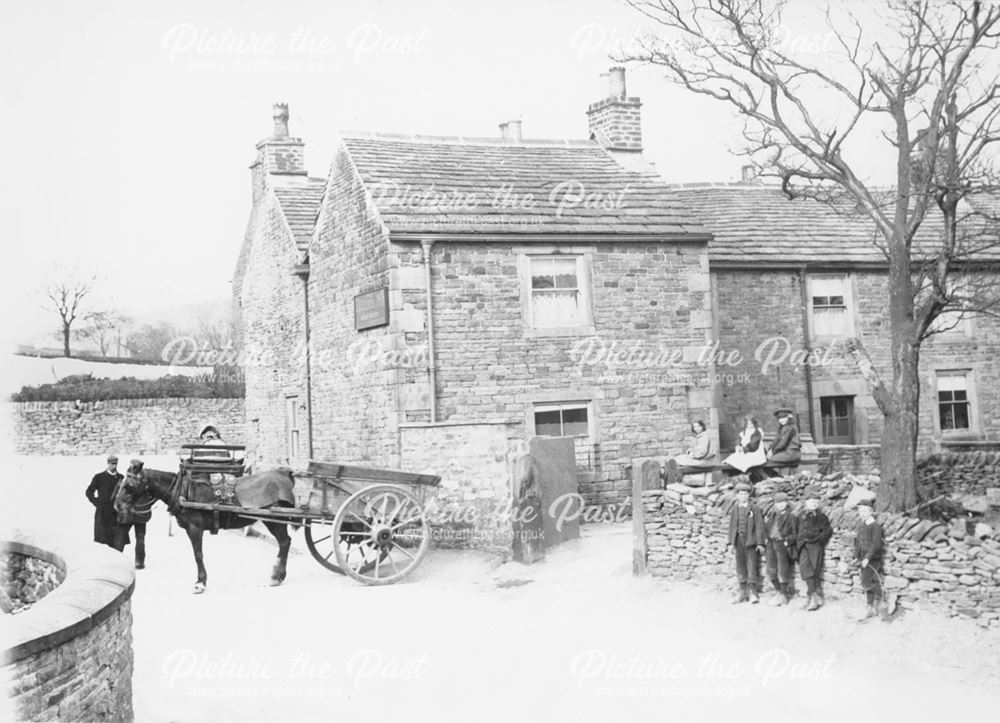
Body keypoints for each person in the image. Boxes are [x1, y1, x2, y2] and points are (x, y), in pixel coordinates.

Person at [727, 479, 766, 604]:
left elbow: (760, 526)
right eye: (741, 494)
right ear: (737, 495)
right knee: (740, 565)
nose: (743, 496)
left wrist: (760, 543)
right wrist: (731, 543)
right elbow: (732, 526)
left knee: (751, 565)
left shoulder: (754, 508)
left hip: (751, 541)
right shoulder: (735, 508)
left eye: (745, 494)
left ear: (749, 495)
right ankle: (742, 592)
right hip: (739, 540)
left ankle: (753, 592)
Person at [796, 492, 833, 611]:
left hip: (816, 546)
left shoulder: (821, 517)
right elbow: (796, 529)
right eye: (812, 502)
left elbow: (827, 531)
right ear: (806, 502)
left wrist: (819, 540)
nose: (814, 504)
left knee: (814, 570)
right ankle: (814, 596)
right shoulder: (801, 515)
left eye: (816, 502)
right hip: (803, 545)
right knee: (804, 569)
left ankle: (810, 598)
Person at [113, 461, 151, 569]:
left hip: (127, 513)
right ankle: (139, 562)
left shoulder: (128, 480)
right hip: (140, 514)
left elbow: (121, 496)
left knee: (120, 537)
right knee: (140, 538)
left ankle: (117, 561)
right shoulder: (144, 481)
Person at [763, 492, 798, 606]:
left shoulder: (791, 516)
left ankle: (783, 595)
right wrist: (766, 538)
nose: (781, 505)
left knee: (782, 570)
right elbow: (767, 528)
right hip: (771, 544)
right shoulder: (773, 514)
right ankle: (779, 592)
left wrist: (787, 541)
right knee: (770, 570)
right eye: (778, 503)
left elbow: (795, 533)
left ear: (787, 503)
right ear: (775, 504)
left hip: (782, 544)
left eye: (783, 502)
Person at [854, 501, 884, 621]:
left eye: (865, 511)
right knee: (867, 581)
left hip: (872, 559)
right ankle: (870, 608)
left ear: (871, 512)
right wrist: (857, 557)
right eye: (860, 511)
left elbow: (876, 544)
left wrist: (867, 558)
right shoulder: (862, 524)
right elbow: (858, 542)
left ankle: (885, 595)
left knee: (866, 583)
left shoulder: (875, 526)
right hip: (863, 558)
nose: (862, 513)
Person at [85, 454, 123, 548]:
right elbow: (89, 492)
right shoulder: (99, 477)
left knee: (116, 543)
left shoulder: (121, 478)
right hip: (102, 514)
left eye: (116, 464)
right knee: (100, 543)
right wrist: (97, 503)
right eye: (112, 464)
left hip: (116, 514)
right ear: (108, 464)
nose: (114, 466)